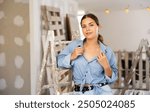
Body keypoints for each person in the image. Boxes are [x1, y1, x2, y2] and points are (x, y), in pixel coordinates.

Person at [57, 13, 118, 95]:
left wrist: (106, 66)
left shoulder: (107, 51)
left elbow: (113, 79)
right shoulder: (74, 45)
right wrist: (72, 56)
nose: (87, 29)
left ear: (98, 26)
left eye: (91, 25)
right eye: (84, 26)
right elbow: (58, 62)